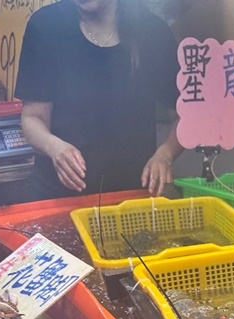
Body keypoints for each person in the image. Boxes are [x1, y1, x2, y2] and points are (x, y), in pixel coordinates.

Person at [15, 0, 183, 201]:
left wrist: (165, 155)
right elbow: (33, 117)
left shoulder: (152, 31)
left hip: (130, 198)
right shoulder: (46, 25)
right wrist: (54, 147)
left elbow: (184, 118)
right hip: (59, 197)